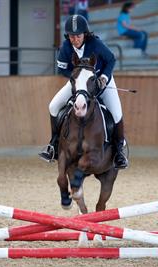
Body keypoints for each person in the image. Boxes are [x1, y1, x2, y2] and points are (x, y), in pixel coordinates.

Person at [39, 14, 128, 169]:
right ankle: (53, 144)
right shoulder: (66, 47)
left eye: (78, 36)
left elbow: (111, 59)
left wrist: (104, 78)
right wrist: (77, 79)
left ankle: (119, 152)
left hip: (101, 81)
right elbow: (62, 70)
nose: (75, 39)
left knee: (116, 113)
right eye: (71, 36)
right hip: (78, 84)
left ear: (85, 34)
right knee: (53, 106)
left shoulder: (95, 43)